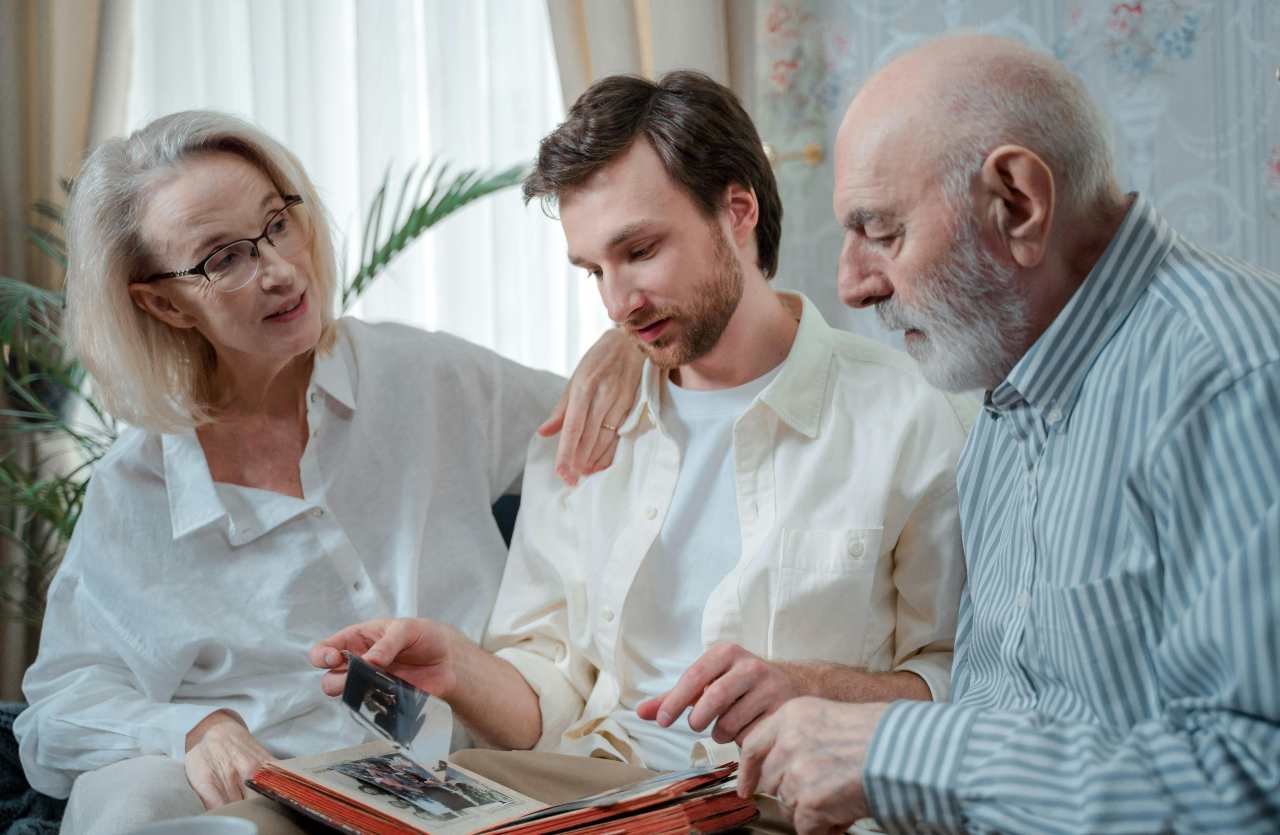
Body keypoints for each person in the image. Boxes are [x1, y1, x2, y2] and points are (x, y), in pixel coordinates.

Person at [311, 70, 971, 791]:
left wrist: (814, 690)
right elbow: (552, 698)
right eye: (593, 269)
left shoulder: (913, 416)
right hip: (594, 798)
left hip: (782, 802)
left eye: (640, 251)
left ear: (738, 211)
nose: (617, 303)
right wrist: (459, 667)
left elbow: (964, 683)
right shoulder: (588, 427)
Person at [14, 110, 643, 835]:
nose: (280, 271)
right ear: (162, 302)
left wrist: (624, 349)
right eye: (225, 259)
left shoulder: (425, 376)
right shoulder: (137, 489)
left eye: (277, 224)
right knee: (125, 802)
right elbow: (59, 703)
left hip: (470, 779)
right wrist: (192, 729)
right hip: (259, 800)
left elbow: (612, 420)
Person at [735, 33, 1280, 834]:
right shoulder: (1003, 393)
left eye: (881, 231)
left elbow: (1252, 785)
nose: (850, 284)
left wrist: (897, 751)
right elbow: (1017, 722)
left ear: (1018, 202)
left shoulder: (1234, 377)